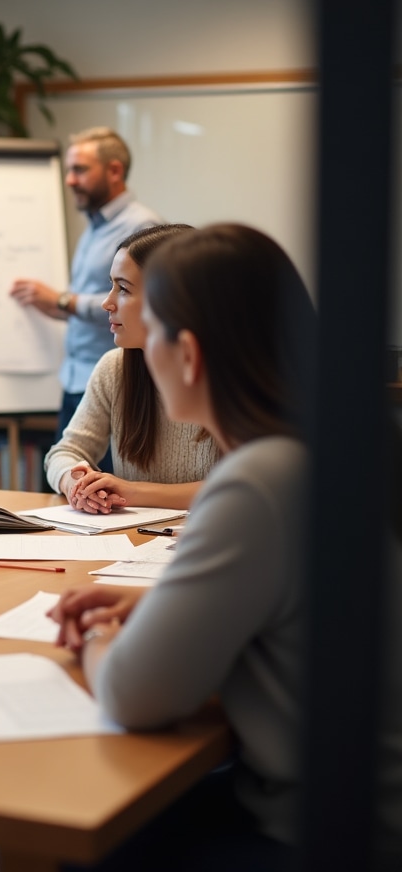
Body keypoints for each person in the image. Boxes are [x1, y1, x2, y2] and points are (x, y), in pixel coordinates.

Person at [52, 224, 402, 868]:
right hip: (342, 803)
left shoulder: (258, 482)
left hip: (324, 832)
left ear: (186, 354)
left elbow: (133, 693)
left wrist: (100, 634)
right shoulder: (315, 453)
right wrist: (151, 608)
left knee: (81, 831)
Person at [43, 224, 218, 514]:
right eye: (111, 285)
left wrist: (133, 491)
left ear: (169, 299)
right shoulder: (115, 368)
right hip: (136, 538)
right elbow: (64, 452)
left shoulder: (230, 376)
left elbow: (243, 485)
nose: (106, 303)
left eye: (123, 288)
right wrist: (77, 484)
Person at [10, 127, 160, 449]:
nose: (69, 180)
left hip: (115, 384)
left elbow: (146, 302)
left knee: (106, 479)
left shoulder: (142, 227)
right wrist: (53, 305)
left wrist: (64, 300)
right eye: (69, 170)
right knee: (66, 470)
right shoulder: (94, 228)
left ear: (114, 171)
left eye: (79, 169)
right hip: (75, 380)